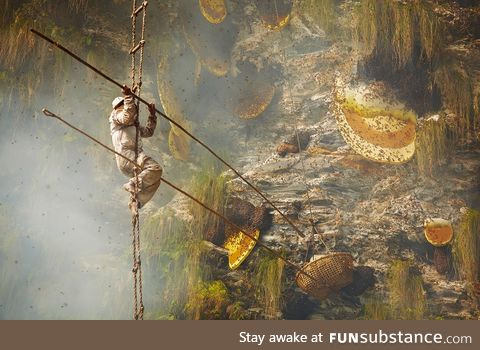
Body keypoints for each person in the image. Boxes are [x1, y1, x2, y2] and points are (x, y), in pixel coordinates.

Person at [109, 85, 162, 214]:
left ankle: (137, 201)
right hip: (127, 157)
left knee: (155, 178)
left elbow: (148, 132)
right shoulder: (116, 117)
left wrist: (152, 115)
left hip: (134, 158)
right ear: (118, 107)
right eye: (125, 104)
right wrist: (128, 97)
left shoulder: (133, 125)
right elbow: (126, 117)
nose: (129, 106)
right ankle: (133, 184)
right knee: (155, 168)